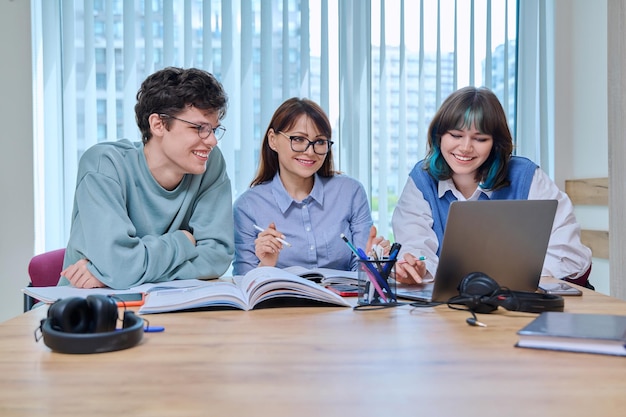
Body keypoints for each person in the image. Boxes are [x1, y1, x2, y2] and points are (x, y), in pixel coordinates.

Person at [391, 86, 592, 286]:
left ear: (495, 143)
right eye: (455, 135)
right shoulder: (422, 178)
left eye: (480, 139)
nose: (465, 147)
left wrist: (500, 279)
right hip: (452, 306)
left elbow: (570, 256)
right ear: (439, 136)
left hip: (520, 302)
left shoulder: (526, 176)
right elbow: (416, 246)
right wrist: (416, 268)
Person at [60, 67, 234, 289]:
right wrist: (183, 241)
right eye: (199, 128)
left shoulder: (210, 163)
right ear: (158, 124)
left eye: (214, 130)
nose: (211, 141)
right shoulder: (104, 165)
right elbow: (120, 266)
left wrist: (119, 273)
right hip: (88, 310)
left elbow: (216, 258)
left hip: (172, 307)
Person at [233, 97, 388, 275]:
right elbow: (244, 285)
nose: (310, 151)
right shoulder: (247, 207)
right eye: (298, 139)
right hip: (282, 303)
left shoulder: (350, 192)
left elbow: (362, 273)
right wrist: (266, 265)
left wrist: (375, 261)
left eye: (320, 142)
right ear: (273, 140)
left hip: (344, 301)